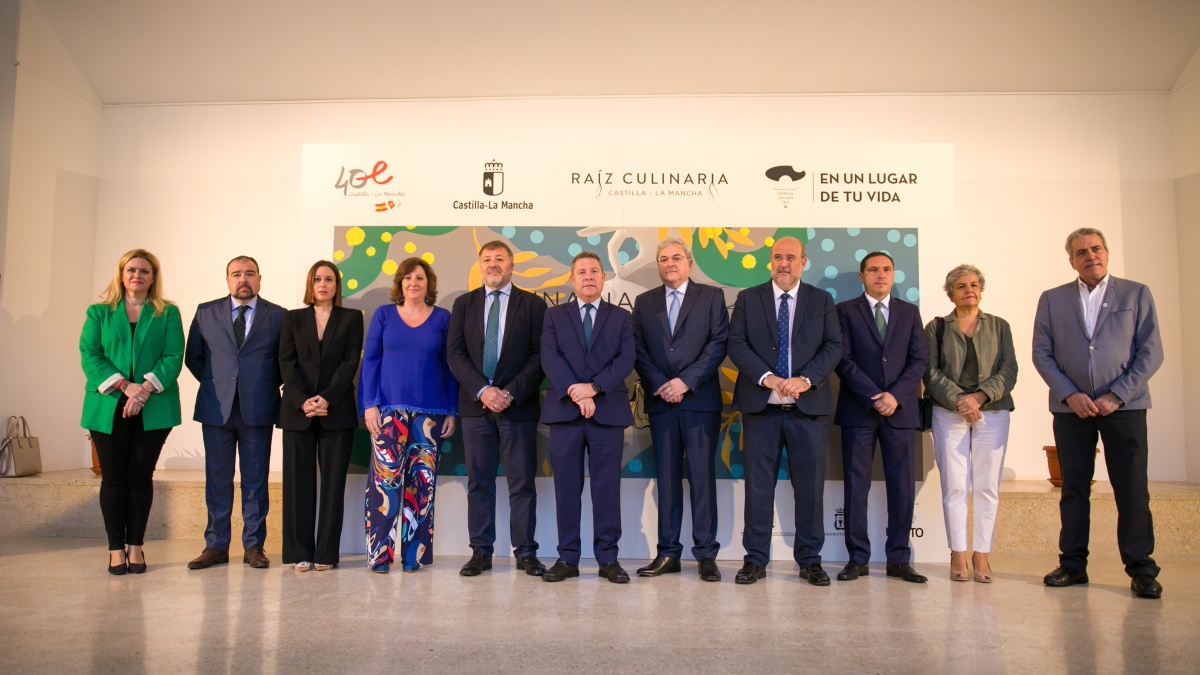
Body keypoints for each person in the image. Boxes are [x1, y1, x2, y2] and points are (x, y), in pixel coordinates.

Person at [1033, 228, 1164, 599]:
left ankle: (1141, 570)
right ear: (1071, 261)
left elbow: (1151, 351)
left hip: (1125, 406)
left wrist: (1117, 395)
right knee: (1073, 488)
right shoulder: (1052, 299)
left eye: (1096, 249)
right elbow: (1041, 352)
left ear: (1106, 253)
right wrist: (1070, 394)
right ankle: (1073, 565)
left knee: (1132, 489)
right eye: (1081, 252)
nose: (1090, 256)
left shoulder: (1136, 293)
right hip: (1071, 409)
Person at [728, 236, 843, 585]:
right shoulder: (748, 298)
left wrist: (806, 380)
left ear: (803, 262)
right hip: (761, 409)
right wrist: (767, 378)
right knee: (758, 489)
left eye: (791, 257)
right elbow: (736, 343)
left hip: (807, 410)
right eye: (778, 257)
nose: (783, 263)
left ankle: (810, 561)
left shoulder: (821, 300)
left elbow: (833, 345)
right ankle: (755, 560)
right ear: (770, 261)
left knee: (809, 490)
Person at [80, 249, 184, 575]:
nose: (137, 275)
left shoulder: (168, 313)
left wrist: (144, 389)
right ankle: (115, 549)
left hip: (154, 406)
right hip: (108, 404)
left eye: (144, 271)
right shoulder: (99, 312)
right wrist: (126, 387)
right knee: (113, 479)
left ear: (153, 278)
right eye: (131, 270)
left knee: (140, 478)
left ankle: (135, 546)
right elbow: (90, 355)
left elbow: (173, 356)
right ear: (122, 275)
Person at [448, 241, 548, 577]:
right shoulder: (463, 304)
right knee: (479, 482)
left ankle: (526, 552)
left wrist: (510, 392)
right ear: (480, 265)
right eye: (487, 259)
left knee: (522, 483)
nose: (493, 264)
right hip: (476, 408)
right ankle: (481, 551)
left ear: (511, 265)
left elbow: (540, 356)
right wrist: (483, 390)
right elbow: (455, 354)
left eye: (499, 259)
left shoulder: (533, 305)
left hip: (518, 408)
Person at [631, 238, 728, 581]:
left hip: (699, 401)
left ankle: (706, 554)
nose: (669, 263)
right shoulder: (644, 302)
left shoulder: (712, 296)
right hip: (661, 401)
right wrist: (662, 383)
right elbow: (638, 349)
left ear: (689, 263)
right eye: (663, 259)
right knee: (667, 479)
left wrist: (685, 382)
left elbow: (718, 343)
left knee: (702, 478)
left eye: (676, 257)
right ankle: (668, 553)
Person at [540, 251, 635, 583]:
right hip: (565, 412)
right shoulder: (554, 315)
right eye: (582, 272)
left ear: (604, 277)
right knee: (566, 489)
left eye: (595, 271)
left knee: (606, 489)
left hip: (607, 412)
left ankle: (608, 559)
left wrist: (593, 388)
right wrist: (575, 392)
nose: (589, 276)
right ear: (572, 279)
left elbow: (626, 359)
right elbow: (549, 357)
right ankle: (567, 558)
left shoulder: (622, 317)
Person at [185, 256, 286, 570]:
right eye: (236, 274)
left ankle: (253, 546)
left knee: (255, 481)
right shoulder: (206, 312)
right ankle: (216, 546)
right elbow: (194, 358)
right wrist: (220, 385)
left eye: (250, 274)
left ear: (259, 279)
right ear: (227, 279)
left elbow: (284, 361)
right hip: (216, 408)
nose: (243, 279)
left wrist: (260, 385)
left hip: (258, 408)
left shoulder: (278, 316)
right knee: (217, 480)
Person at [833, 252, 929, 584]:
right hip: (859, 410)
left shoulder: (909, 312)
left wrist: (895, 396)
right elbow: (842, 359)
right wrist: (874, 396)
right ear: (862, 276)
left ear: (894, 275)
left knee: (902, 487)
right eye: (873, 270)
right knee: (855, 485)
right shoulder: (845, 311)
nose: (880, 275)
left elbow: (919, 360)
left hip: (900, 411)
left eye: (886, 269)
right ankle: (857, 559)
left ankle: (899, 559)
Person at [360, 257, 458, 573]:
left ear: (429, 284)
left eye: (420, 278)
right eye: (408, 278)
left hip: (430, 415)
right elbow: (371, 361)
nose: (413, 283)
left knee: (421, 487)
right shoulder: (384, 315)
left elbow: (450, 367)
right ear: (400, 283)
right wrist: (369, 404)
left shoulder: (443, 318)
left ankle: (413, 555)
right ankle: (380, 555)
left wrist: (452, 410)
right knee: (384, 484)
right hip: (388, 412)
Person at [923, 264, 1017, 583]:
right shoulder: (936, 327)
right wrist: (959, 401)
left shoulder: (999, 326)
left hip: (993, 411)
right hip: (949, 412)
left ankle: (982, 554)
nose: (969, 290)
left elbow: (1009, 369)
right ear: (951, 294)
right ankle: (958, 553)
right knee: (955, 485)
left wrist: (979, 397)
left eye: (974, 285)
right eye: (961, 286)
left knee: (987, 486)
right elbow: (930, 372)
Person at [278, 260, 363, 572]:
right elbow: (286, 363)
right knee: (297, 485)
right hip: (297, 412)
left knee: (332, 486)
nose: (323, 285)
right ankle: (299, 550)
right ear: (310, 285)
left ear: (336, 285)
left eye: (329, 279)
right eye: (317, 279)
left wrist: (327, 397)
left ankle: (326, 552)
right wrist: (303, 401)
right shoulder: (293, 318)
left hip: (336, 411)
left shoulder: (352, 318)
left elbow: (350, 363)